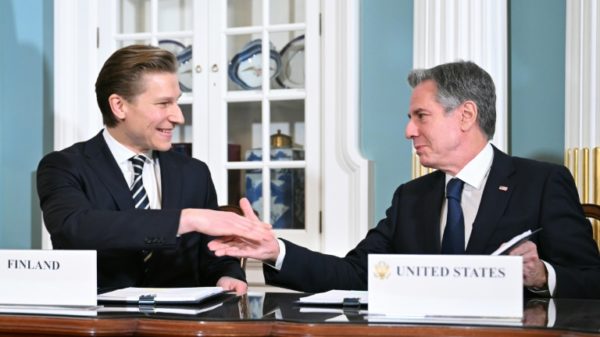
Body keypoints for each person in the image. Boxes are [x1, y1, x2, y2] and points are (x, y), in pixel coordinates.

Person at [210, 61, 600, 298]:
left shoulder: (542, 183)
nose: (408, 131)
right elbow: (354, 275)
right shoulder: (411, 197)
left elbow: (591, 283)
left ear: (465, 116)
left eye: (421, 116)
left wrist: (541, 275)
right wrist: (275, 249)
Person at [37, 44, 269, 294]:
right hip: (98, 324)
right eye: (163, 103)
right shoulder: (63, 166)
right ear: (119, 106)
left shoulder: (194, 173)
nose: (179, 116)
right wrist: (186, 219)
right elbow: (76, 228)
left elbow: (214, 256)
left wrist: (227, 275)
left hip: (178, 327)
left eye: (176, 102)